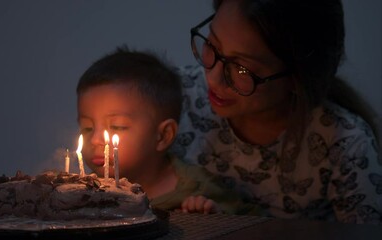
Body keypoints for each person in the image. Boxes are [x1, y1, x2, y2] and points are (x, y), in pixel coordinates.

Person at [169, 0, 382, 224]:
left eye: (242, 69)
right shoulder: (172, 98)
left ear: (297, 79)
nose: (212, 77)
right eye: (212, 44)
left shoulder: (344, 146)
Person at [76, 47, 259, 215]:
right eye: (87, 127)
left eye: (116, 126)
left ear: (163, 136)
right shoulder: (87, 190)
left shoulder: (196, 190)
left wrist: (212, 217)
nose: (94, 139)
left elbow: (254, 224)